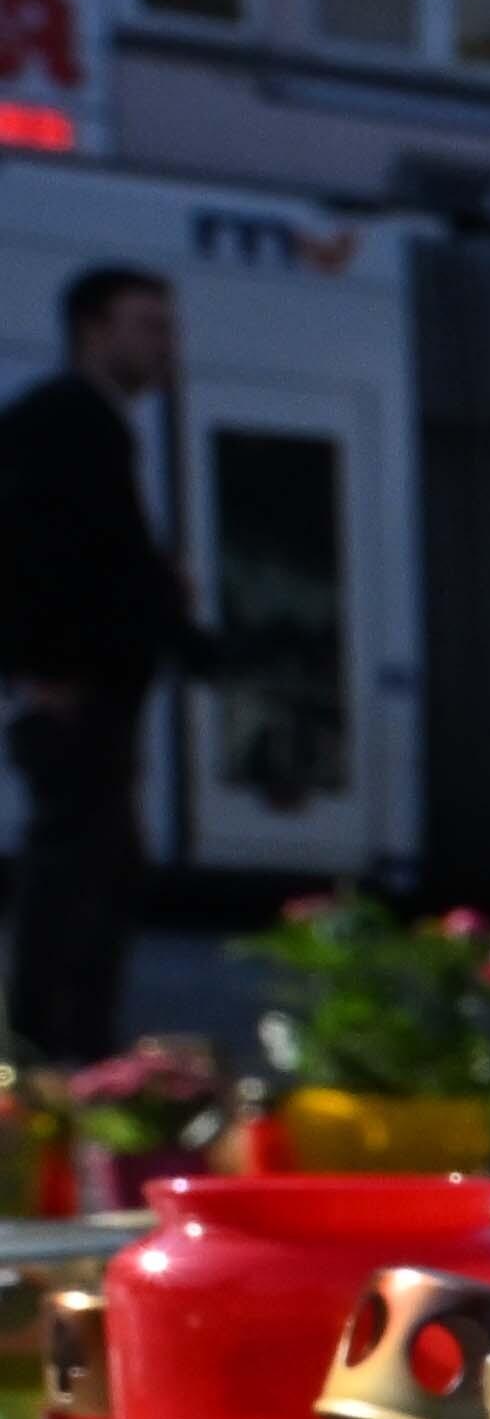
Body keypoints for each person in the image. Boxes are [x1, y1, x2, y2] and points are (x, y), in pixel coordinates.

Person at [0, 267, 201, 1071]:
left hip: (85, 689)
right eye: (147, 325)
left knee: (101, 873)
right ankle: (56, 1061)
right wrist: (37, 666)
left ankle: (64, 1055)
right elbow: (47, 555)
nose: (164, 345)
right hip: (75, 693)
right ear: (94, 328)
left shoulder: (83, 423)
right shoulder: (67, 422)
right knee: (82, 879)